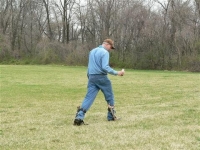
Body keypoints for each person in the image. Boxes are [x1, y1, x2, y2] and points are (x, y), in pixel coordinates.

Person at [73, 39, 125, 126]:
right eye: (110, 47)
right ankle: (111, 116)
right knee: (110, 96)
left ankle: (79, 117)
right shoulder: (105, 53)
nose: (110, 49)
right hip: (101, 77)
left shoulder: (92, 51)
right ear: (107, 45)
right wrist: (117, 73)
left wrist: (89, 76)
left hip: (92, 77)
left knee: (88, 98)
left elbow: (90, 66)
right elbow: (105, 67)